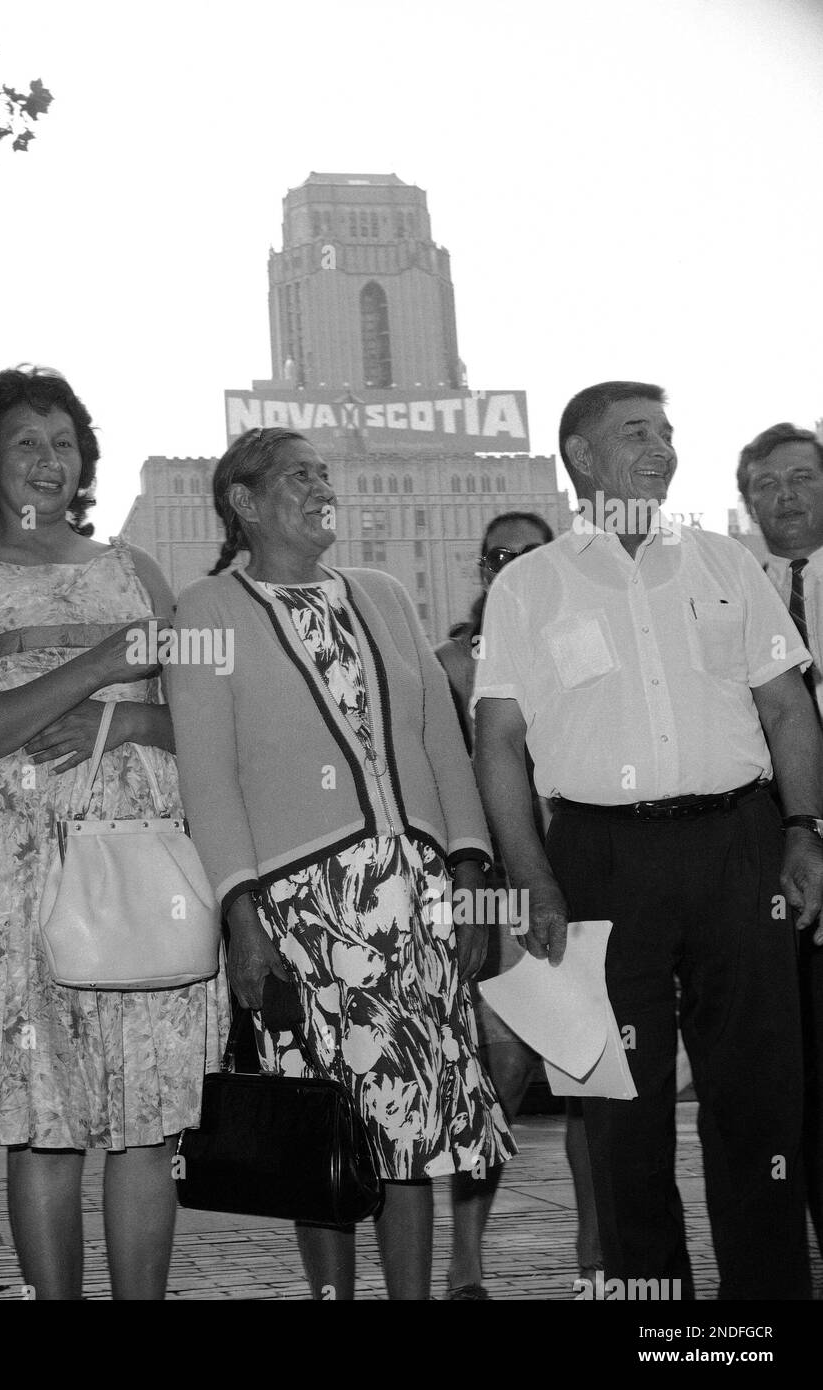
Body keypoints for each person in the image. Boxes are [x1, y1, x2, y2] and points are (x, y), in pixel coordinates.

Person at [474, 380, 823, 1300]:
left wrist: (804, 830)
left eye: (667, 432)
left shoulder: (724, 563)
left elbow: (787, 705)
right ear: (582, 458)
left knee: (758, 1100)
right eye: (637, 433)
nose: (662, 448)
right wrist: (533, 881)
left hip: (741, 845)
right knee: (622, 1113)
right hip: (601, 860)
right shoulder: (529, 586)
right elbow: (499, 743)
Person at [168, 426, 515, 1301]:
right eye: (298, 475)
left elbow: (444, 737)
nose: (322, 486)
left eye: (325, 473)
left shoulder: (385, 595)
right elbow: (208, 782)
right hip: (303, 908)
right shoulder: (206, 613)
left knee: (413, 1121)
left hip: (417, 894)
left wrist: (468, 875)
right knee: (319, 1122)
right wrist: (241, 914)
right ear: (244, 502)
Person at [0, 366, 225, 1301]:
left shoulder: (137, 569)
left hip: (142, 858)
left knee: (147, 1119)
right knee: (43, 1118)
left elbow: (207, 727)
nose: (49, 462)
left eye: (63, 442)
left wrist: (123, 721)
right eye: (25, 444)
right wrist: (102, 663)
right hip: (18, 870)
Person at [435, 511, 602, 1299]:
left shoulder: (592, 636)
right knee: (496, 1077)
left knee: (588, 1082)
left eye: (526, 553)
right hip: (494, 893)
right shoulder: (452, 662)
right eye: (494, 553)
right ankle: (464, 1262)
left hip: (590, 878)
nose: (509, 565)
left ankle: (596, 1257)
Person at [737, 421, 823, 1258]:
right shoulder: (728, 591)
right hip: (772, 869)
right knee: (790, 1084)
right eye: (766, 483)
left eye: (801, 478)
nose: (785, 496)